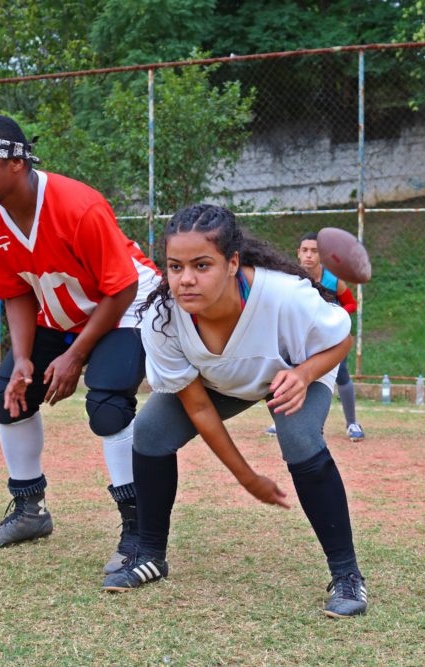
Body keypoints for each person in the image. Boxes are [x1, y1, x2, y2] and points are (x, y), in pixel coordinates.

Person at [102, 204, 368, 619]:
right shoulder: (162, 317)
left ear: (232, 263)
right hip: (222, 380)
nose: (186, 279)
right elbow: (199, 408)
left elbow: (340, 340)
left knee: (298, 438)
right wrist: (248, 478)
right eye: (175, 266)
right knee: (151, 429)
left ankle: (347, 576)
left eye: (202, 265)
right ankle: (149, 554)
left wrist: (304, 374)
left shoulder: (283, 296)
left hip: (291, 372)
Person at [0, 115, 160, 574]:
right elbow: (15, 290)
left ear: (15, 165)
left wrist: (76, 355)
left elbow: (122, 287)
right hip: (64, 310)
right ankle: (30, 510)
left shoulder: (77, 205)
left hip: (126, 303)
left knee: (108, 404)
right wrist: (25, 359)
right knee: (8, 395)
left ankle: (138, 529)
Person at [265, 231, 365, 441]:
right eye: (305, 250)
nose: (309, 255)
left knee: (342, 374)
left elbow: (351, 303)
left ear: (322, 255)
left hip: (330, 338)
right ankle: (282, 421)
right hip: (299, 337)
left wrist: (333, 316)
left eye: (314, 251)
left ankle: (352, 423)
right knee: (290, 372)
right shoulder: (290, 279)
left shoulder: (332, 280)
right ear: (298, 253)